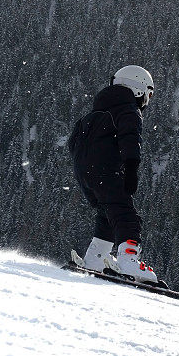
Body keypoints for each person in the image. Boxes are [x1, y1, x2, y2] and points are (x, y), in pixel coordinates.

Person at [68, 65, 157, 283]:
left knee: (108, 214)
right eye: (148, 93)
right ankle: (129, 260)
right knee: (126, 215)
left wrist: (87, 171)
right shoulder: (128, 110)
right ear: (137, 88)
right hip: (106, 170)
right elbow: (130, 139)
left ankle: (94, 260)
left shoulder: (94, 112)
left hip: (85, 174)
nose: (147, 100)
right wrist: (131, 169)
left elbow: (73, 142)